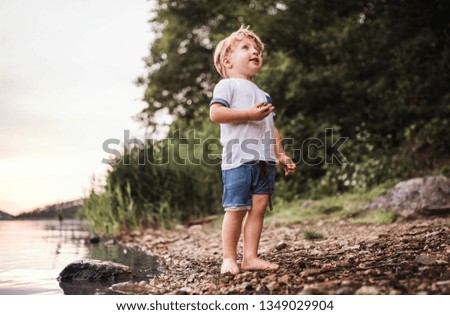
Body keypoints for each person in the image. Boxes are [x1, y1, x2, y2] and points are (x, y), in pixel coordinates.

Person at [209, 26, 296, 275]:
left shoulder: (263, 93)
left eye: (257, 49)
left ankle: (250, 257)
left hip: (264, 161)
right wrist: (249, 114)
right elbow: (216, 113)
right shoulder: (226, 86)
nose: (255, 51)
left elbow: (271, 126)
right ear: (227, 60)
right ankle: (228, 258)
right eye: (246, 48)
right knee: (236, 209)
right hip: (239, 160)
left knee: (258, 209)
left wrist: (280, 154)